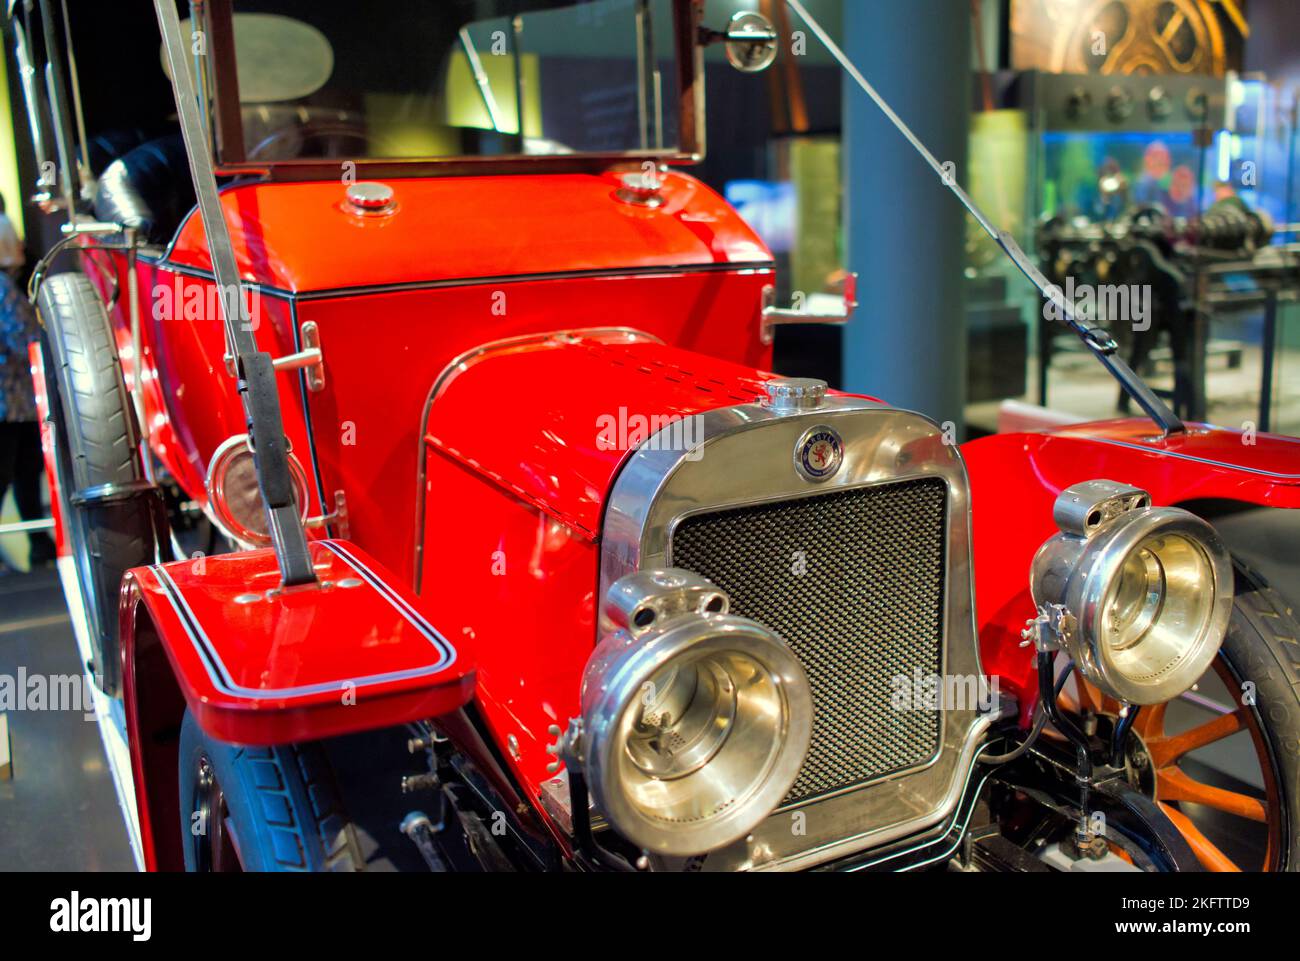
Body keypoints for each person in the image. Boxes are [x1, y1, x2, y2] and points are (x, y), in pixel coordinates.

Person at [0, 195, 56, 569]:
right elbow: (24, 337)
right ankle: (38, 544)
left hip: (14, 401)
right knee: (15, 472)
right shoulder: (3, 287)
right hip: (11, 400)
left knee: (22, 472)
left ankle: (39, 544)